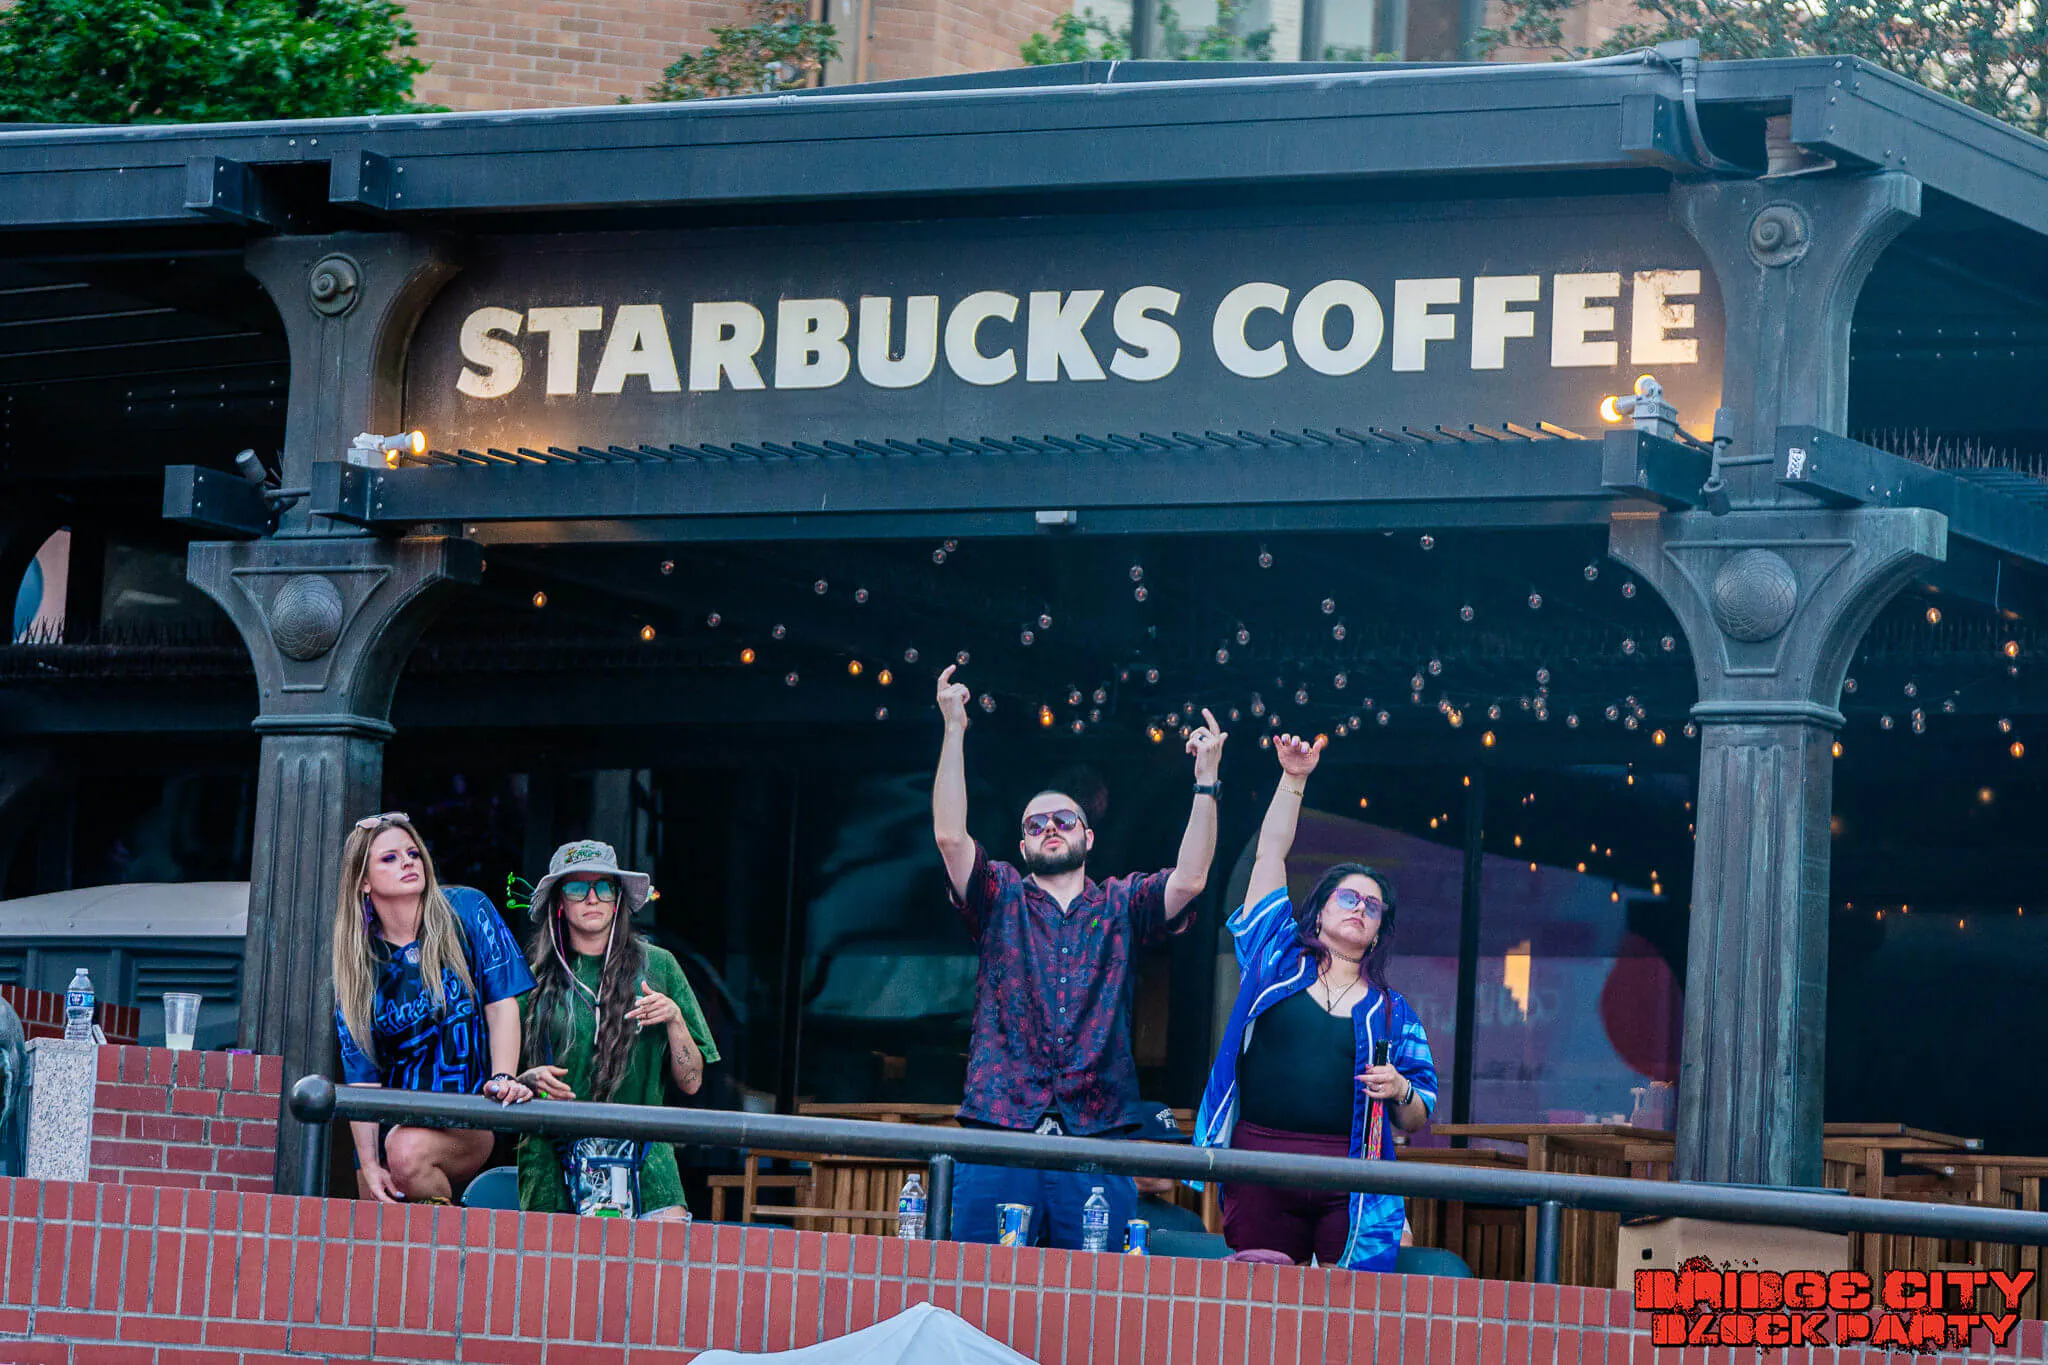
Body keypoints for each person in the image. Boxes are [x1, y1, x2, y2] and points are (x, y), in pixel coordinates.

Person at [932, 663, 1224, 1248]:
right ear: (1022, 844)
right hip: (1000, 1124)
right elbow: (949, 837)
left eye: (1064, 820)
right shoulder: (1000, 894)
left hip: (1096, 1129)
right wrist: (954, 728)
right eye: (1035, 824)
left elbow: (1190, 880)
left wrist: (1206, 782)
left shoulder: (1120, 903)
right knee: (980, 1284)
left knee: (1093, 1293)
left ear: (1088, 837)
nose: (1050, 828)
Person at [1193, 734, 1439, 1272]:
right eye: (1348, 897)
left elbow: (1417, 1115)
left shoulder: (1394, 1013)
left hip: (1352, 1177)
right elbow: (1270, 853)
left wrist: (1401, 1088)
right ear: (1320, 911)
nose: (1360, 909)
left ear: (1379, 932)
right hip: (1260, 1161)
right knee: (1259, 1299)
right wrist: (1294, 778)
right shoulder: (1275, 957)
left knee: (1348, 1308)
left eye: (1372, 906)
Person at [333, 812, 536, 1204]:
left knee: (406, 1151)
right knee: (377, 1200)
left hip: (468, 1116)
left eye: (413, 853)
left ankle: (450, 1235)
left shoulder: (468, 909)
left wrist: (503, 1076)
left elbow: (501, 1005)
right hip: (390, 1129)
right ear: (363, 882)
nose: (408, 862)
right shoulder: (358, 964)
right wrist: (368, 1164)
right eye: (389, 858)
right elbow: (362, 1080)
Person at [514, 840, 719, 1219]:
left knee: (665, 1255)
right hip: (552, 1161)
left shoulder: (660, 966)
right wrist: (527, 1079)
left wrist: (675, 1019)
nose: (592, 898)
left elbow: (692, 1082)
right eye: (577, 887)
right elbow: (499, 1080)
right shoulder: (531, 979)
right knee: (558, 1258)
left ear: (617, 900)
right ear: (560, 903)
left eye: (604, 887)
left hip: (646, 1155)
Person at [1126, 1103, 1210, 1237]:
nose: (1171, 1160)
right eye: (1162, 1150)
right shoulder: (1097, 1213)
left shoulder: (1188, 1223)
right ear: (1126, 1151)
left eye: (1175, 1151)